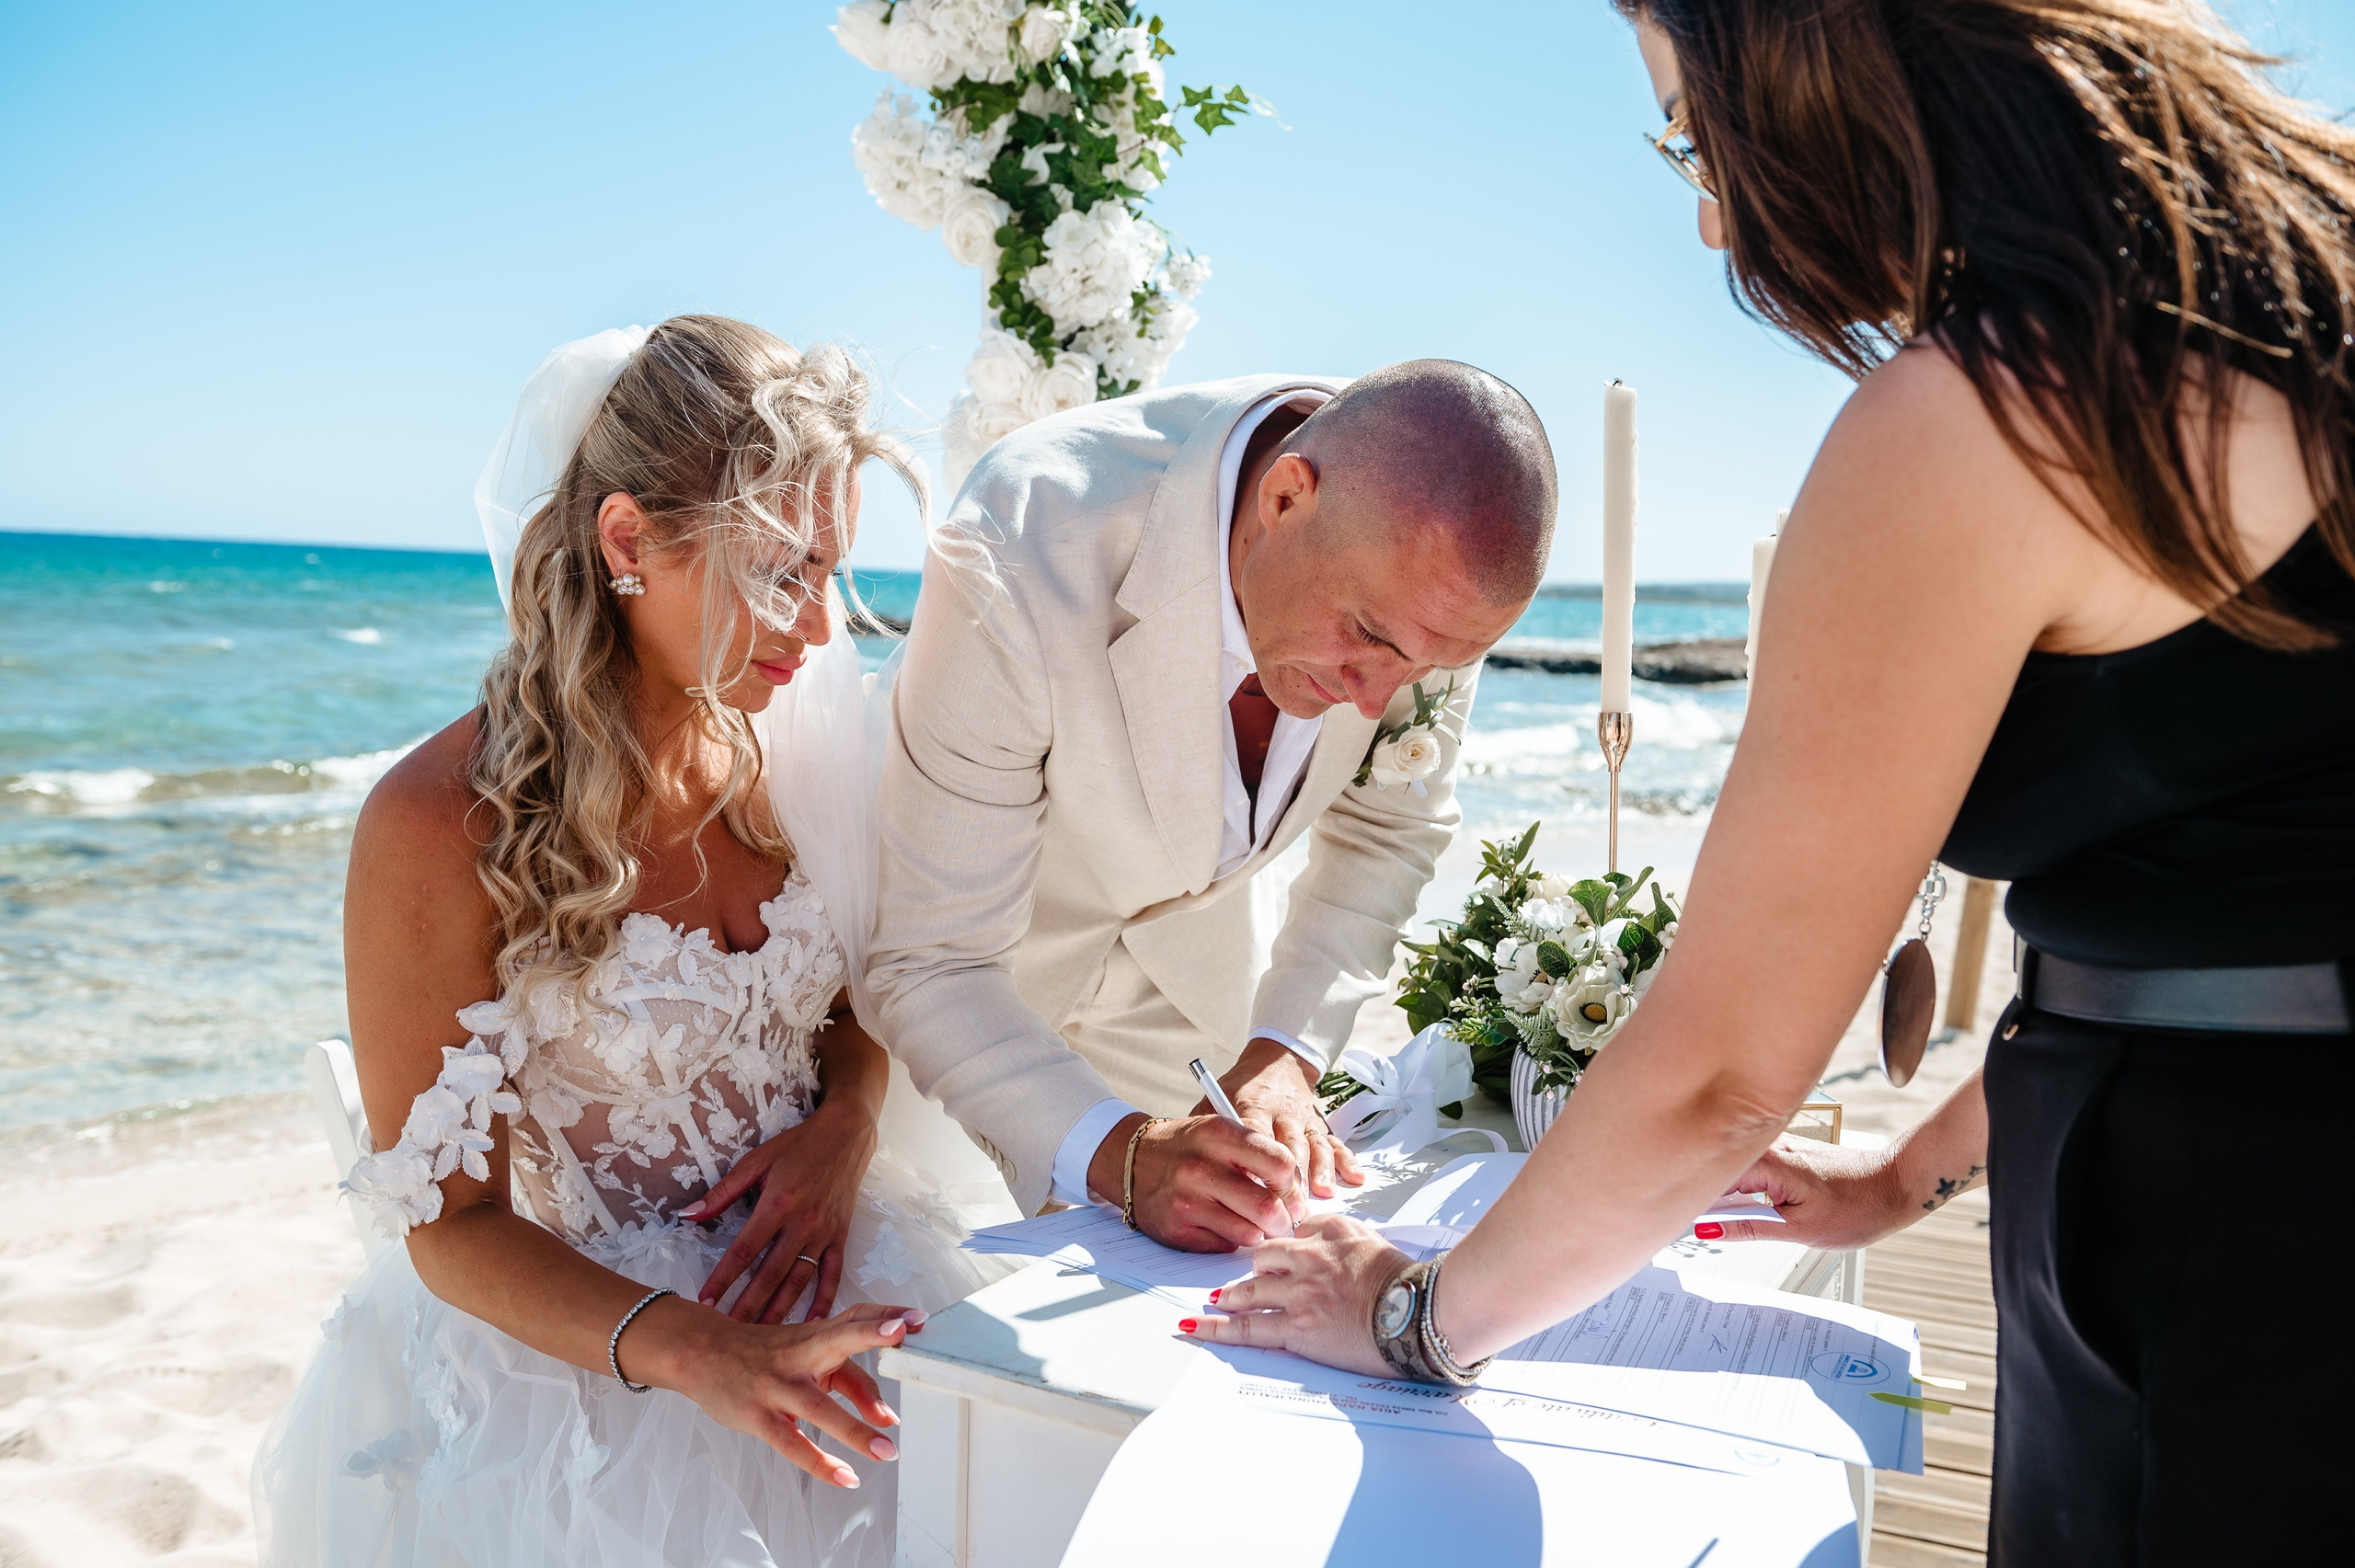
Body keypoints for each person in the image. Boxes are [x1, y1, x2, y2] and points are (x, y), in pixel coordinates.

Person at [1184, 3, 2355, 1562]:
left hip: (2232, 1276)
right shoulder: (2297, 293)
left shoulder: (1993, 417)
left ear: (1816, 77)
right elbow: (2243, 877)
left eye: (1691, 134)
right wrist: (1904, 1174)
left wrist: (1413, 1318)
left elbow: (1722, 1072)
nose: (1710, 209)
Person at [253, 315, 1019, 1568]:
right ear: (629, 542)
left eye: (832, 571)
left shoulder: (795, 754)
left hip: (850, 1271)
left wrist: (845, 1124)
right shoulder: (439, 822)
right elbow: (448, 1226)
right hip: (604, 1355)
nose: (822, 630)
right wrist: (703, 1350)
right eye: (785, 572)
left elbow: (856, 995)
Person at [866, 363, 1557, 1244]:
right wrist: (1123, 1153)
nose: (1379, 702)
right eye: (1369, 638)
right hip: (966, 1006)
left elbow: (1389, 829)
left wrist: (1286, 1053)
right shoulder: (1021, 538)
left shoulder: (1437, 563)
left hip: (1198, 998)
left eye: (1424, 667)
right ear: (1282, 498)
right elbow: (933, 957)